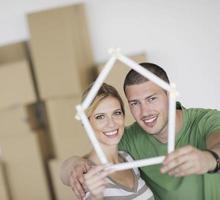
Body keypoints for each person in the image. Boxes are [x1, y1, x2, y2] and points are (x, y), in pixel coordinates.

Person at [60, 63, 220, 200]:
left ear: (170, 95)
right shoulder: (128, 139)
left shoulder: (205, 120)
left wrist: (209, 159)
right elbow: (85, 163)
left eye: (152, 99)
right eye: (135, 103)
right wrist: (73, 164)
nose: (145, 112)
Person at [76, 82, 154, 200]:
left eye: (116, 113)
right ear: (86, 122)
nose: (111, 123)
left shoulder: (128, 159)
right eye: (100, 117)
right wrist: (94, 197)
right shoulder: (86, 174)